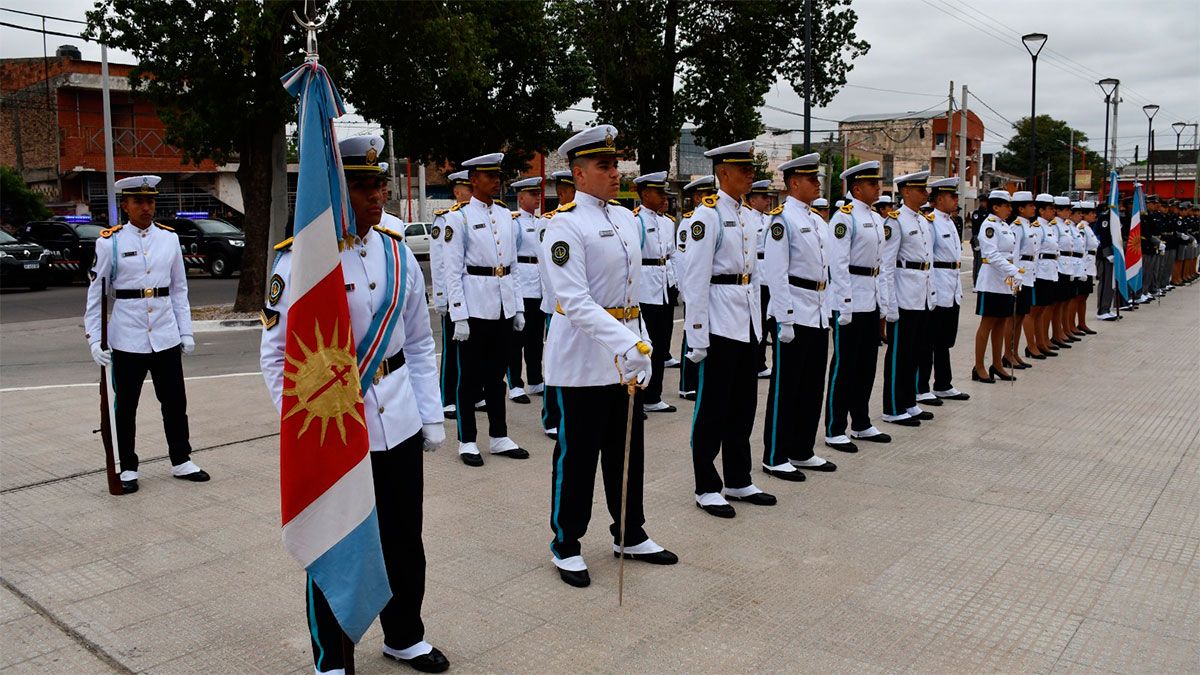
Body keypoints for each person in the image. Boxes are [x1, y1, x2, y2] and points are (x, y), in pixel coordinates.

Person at [260, 135, 449, 674]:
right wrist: (300, 427)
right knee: (335, 542)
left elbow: (418, 342)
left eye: (379, 184)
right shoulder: (301, 261)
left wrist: (430, 416)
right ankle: (331, 657)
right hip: (335, 430)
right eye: (363, 186)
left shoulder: (396, 252)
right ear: (335, 192)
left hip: (398, 419)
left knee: (403, 539)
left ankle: (404, 635)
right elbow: (276, 358)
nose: (376, 196)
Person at [542, 124, 678, 588]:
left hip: (624, 352)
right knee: (578, 455)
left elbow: (631, 293)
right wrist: (629, 343)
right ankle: (566, 542)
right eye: (604, 166)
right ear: (578, 175)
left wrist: (640, 343)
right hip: (582, 355)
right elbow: (575, 302)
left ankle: (630, 531)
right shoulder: (563, 225)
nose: (614, 172)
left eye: (615, 164)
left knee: (627, 448)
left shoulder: (625, 219)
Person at [84, 174, 209, 495]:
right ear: (124, 205)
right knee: (126, 406)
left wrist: (186, 331)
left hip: (165, 333)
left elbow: (179, 289)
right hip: (128, 336)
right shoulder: (109, 242)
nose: (146, 207)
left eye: (151, 201)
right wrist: (94, 339)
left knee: (174, 401)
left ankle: (181, 458)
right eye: (138, 201)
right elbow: (96, 296)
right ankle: (127, 466)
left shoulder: (169, 239)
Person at [682, 140, 776, 518]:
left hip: (746, 321)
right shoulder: (708, 217)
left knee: (742, 406)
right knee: (712, 409)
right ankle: (706, 484)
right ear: (722, 173)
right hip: (719, 322)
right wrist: (697, 334)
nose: (751, 174)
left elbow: (752, 277)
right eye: (744, 169)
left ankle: (739, 478)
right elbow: (695, 279)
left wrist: (760, 324)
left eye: (752, 169)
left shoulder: (750, 217)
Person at [441, 152, 529, 467]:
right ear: (473, 179)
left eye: (498, 176)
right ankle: (467, 440)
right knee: (469, 379)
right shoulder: (459, 218)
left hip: (503, 307)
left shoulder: (507, 216)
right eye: (489, 176)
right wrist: (459, 315)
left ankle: (499, 436)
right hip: (475, 307)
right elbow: (452, 272)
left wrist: (517, 308)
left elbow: (513, 267)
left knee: (497, 377)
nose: (496, 181)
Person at [760, 153, 837, 481]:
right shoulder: (782, 220)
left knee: (811, 386)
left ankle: (802, 449)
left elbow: (827, 271)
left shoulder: (818, 221)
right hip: (794, 310)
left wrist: (830, 309)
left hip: (818, 311)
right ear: (794, 183)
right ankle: (775, 455)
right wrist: (785, 318)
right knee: (786, 387)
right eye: (812, 179)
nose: (818, 183)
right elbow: (776, 273)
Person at [824, 161, 892, 453]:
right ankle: (835, 427)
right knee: (844, 366)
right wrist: (844, 304)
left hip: (871, 297)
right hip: (850, 298)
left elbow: (881, 265)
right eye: (872, 184)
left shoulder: (876, 218)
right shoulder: (844, 218)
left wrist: (884, 303)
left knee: (866, 365)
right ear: (856, 188)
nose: (878, 188)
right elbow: (837, 265)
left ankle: (861, 422)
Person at [878, 170, 937, 426]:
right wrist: (889, 304)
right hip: (903, 297)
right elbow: (887, 266)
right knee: (899, 355)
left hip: (920, 295)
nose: (925, 193)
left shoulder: (923, 220)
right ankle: (892, 407)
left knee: (915, 352)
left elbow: (928, 261)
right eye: (920, 189)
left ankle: (909, 401)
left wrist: (931, 293)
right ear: (905, 192)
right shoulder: (895, 221)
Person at [919, 177, 969, 401]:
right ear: (939, 199)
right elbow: (928, 258)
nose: (956, 200)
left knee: (944, 340)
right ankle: (921, 387)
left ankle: (943, 383)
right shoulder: (930, 222)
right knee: (929, 341)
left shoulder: (951, 221)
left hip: (951, 284)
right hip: (937, 285)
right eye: (952, 196)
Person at [633, 171, 678, 414]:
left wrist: (676, 283)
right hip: (644, 289)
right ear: (645, 194)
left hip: (664, 286)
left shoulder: (667, 222)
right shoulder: (635, 220)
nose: (664, 197)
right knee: (642, 346)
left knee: (661, 343)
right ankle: (638, 397)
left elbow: (673, 256)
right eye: (659, 192)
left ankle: (654, 395)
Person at [431, 170, 473, 418]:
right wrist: (441, 297)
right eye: (468, 188)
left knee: (473, 351)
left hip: (475, 295)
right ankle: (447, 397)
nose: (472, 192)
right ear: (457, 192)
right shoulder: (445, 219)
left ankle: (473, 394)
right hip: (452, 295)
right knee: (452, 349)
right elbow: (438, 262)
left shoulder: (479, 217)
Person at [972, 189, 1020, 383]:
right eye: (1006, 205)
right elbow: (991, 255)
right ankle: (979, 366)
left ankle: (997, 364)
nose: (1009, 209)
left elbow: (1009, 253)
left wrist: (1013, 273)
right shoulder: (989, 226)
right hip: (991, 279)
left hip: (1005, 280)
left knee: (1001, 322)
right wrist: (1012, 269)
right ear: (996, 207)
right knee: (988, 323)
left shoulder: (1004, 225)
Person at [675, 175, 716, 401]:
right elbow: (683, 259)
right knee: (690, 335)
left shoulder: (713, 217)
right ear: (697, 197)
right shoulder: (689, 221)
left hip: (710, 288)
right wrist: (685, 289)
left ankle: (697, 381)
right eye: (706, 194)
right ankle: (685, 383)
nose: (712, 198)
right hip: (694, 286)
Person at [507, 176, 546, 404]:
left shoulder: (540, 222)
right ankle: (515, 384)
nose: (537, 197)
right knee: (516, 340)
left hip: (538, 287)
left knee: (535, 338)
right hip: (522, 287)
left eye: (538, 194)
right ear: (521, 198)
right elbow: (511, 259)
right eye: (533, 194)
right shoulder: (515, 223)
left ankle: (534, 379)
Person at [744, 179, 775, 378]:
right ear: (752, 200)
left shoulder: (769, 218)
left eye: (768, 197)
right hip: (757, 274)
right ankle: (756, 362)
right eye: (763, 197)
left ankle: (762, 362)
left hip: (769, 274)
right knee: (759, 322)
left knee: (769, 322)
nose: (767, 201)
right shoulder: (747, 217)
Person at [1006, 191, 1038, 366]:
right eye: (1030, 205)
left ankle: (1015, 352)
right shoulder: (1016, 228)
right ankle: (1007, 353)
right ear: (1021, 208)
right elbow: (1014, 256)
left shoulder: (1028, 226)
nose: (1034, 208)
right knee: (1013, 317)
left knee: (1020, 317)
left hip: (1028, 275)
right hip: (1019, 276)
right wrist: (1014, 280)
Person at [1030, 193, 1061, 356]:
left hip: (1050, 271)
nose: (1053, 212)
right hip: (1040, 272)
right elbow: (1034, 252)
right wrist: (1033, 274)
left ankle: (1043, 340)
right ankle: (1034, 344)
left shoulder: (1049, 227)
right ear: (1041, 210)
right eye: (1050, 209)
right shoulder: (1037, 226)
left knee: (1044, 308)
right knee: (1035, 310)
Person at [1075, 201, 1100, 334]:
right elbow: (1082, 249)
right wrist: (1082, 269)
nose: (1094, 215)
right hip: (1084, 265)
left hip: (1090, 264)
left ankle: (1082, 322)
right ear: (1084, 215)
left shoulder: (1088, 227)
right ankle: (1074, 324)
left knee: (1084, 296)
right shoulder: (1081, 227)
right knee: (1079, 297)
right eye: (1092, 213)